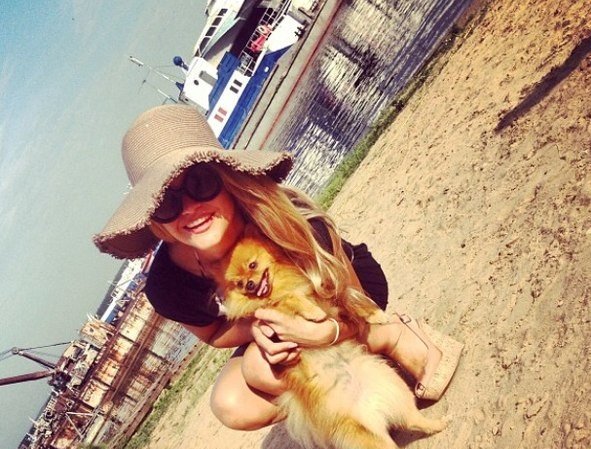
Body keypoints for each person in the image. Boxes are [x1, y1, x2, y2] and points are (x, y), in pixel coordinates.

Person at [94, 105, 462, 431]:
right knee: (234, 401)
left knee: (299, 350)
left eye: (200, 183)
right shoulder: (167, 287)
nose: (189, 209)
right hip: (279, 326)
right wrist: (259, 325)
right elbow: (214, 334)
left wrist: (324, 333)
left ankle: (393, 337)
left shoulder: (281, 217)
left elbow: (356, 299)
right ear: (154, 218)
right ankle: (357, 395)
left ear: (226, 179)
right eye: (165, 203)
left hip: (347, 298)